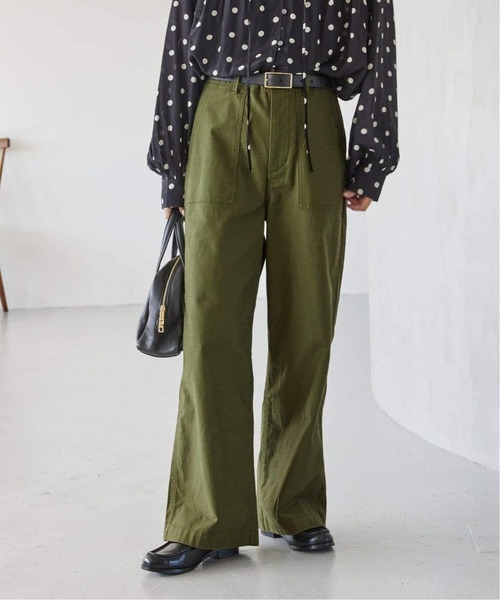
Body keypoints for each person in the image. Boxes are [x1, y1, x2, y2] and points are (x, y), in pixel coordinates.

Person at [141, 0, 400, 576]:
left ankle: (291, 505)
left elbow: (380, 53)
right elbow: (179, 50)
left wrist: (370, 160)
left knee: (307, 328)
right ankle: (206, 520)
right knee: (210, 329)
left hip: (314, 122)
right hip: (219, 122)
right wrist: (172, 171)